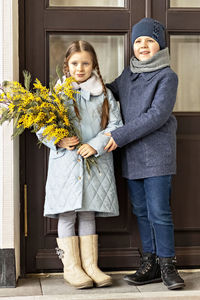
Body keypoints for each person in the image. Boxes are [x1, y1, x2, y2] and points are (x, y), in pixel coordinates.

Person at [105, 18, 185, 290]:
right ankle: (149, 262)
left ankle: (168, 264)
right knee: (140, 211)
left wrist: (118, 136)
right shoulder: (128, 74)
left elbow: (156, 116)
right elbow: (108, 92)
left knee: (159, 211)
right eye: (138, 41)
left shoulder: (167, 76)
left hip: (157, 155)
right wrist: (80, 84)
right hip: (132, 156)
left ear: (160, 45)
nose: (143, 46)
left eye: (149, 41)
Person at [37, 40, 122, 289]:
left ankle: (91, 265)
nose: (80, 68)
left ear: (93, 64)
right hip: (66, 165)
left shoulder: (105, 94)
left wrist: (95, 144)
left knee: (88, 212)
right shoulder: (58, 94)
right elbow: (41, 126)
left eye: (85, 63)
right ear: (67, 65)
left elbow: (116, 125)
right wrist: (59, 139)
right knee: (66, 213)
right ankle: (72, 268)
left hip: (94, 161)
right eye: (75, 63)